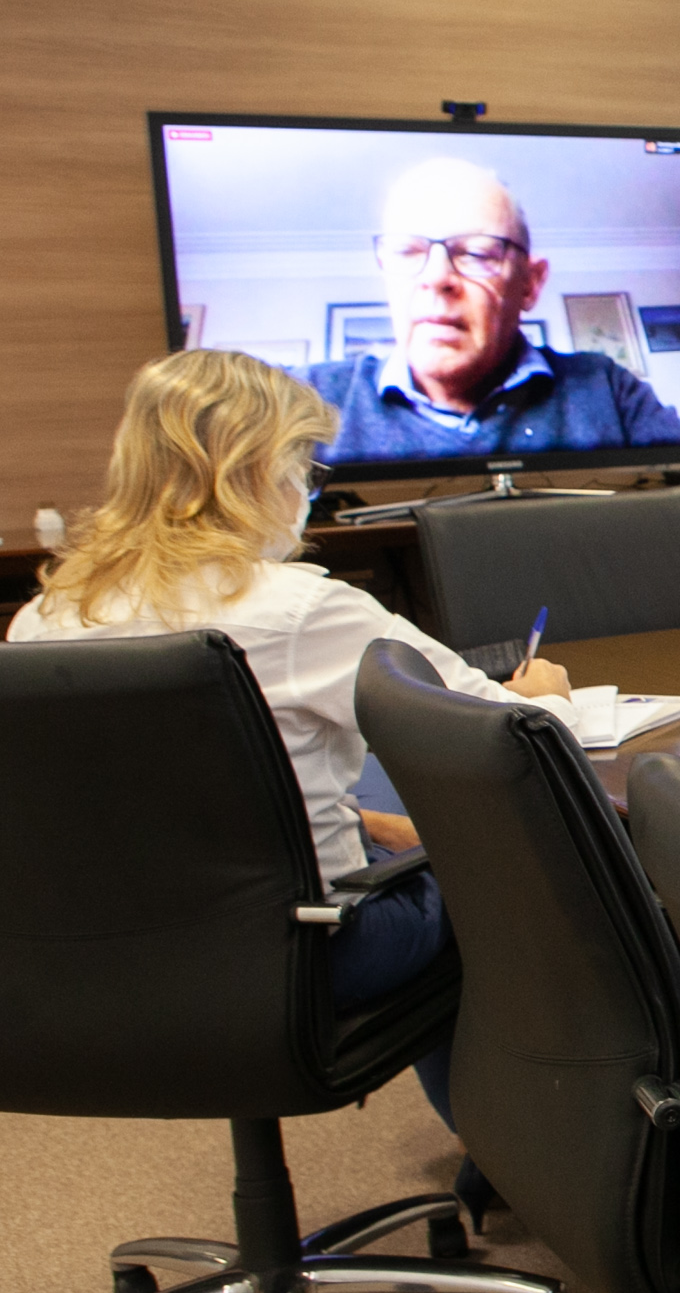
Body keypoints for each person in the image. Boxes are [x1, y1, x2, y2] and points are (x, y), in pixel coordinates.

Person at [8, 351, 577, 1155]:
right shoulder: (301, 610)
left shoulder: (43, 618)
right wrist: (548, 698)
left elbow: (160, 808)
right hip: (308, 959)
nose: (307, 491)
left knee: (385, 808)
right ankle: (520, 1154)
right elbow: (503, 737)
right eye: (303, 467)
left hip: (97, 971)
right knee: (495, 875)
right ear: (255, 470)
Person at [300, 156, 680, 463]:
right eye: (407, 252)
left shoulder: (606, 388)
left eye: (477, 254)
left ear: (530, 284)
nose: (436, 277)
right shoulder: (305, 398)